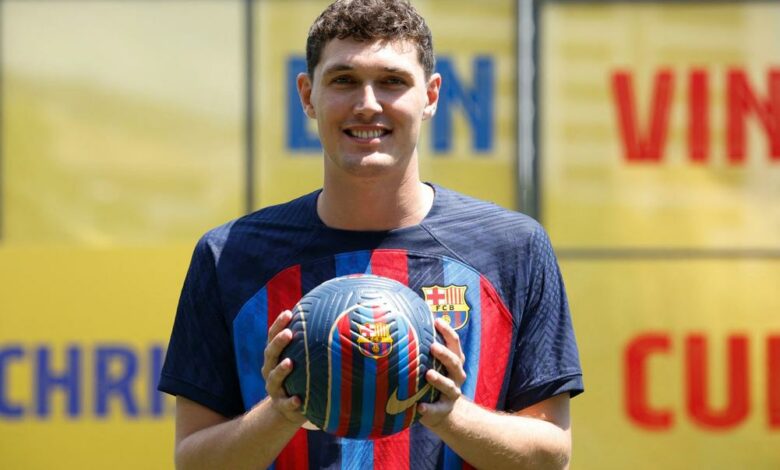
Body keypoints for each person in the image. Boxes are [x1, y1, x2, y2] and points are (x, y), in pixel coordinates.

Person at [158, 0, 583, 468]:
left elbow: (551, 456)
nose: (367, 104)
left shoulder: (513, 248)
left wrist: (451, 415)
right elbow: (193, 460)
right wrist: (280, 412)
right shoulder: (229, 255)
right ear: (307, 95)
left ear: (431, 96)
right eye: (344, 80)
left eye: (392, 81)